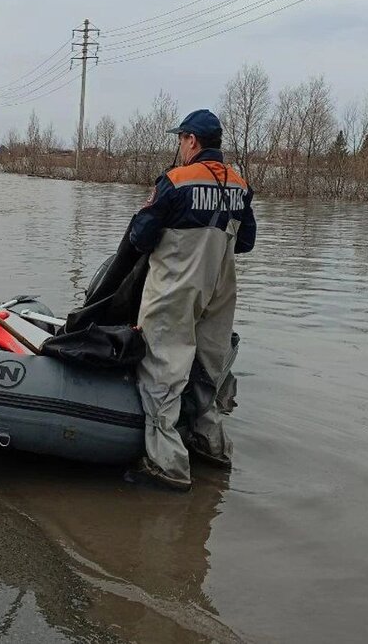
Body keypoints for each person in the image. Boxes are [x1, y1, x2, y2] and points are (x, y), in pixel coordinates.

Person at [127, 109, 256, 490]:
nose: (179, 146)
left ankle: (169, 467)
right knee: (208, 370)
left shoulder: (174, 181)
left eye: (180, 139)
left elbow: (140, 238)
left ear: (192, 141)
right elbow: (246, 242)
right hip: (219, 291)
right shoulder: (240, 184)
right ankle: (213, 449)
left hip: (176, 289)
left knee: (162, 372)